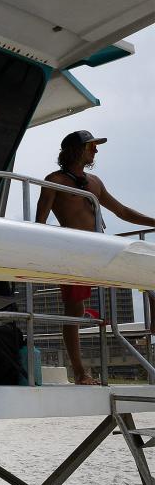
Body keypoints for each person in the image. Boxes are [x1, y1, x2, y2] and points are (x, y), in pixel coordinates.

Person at [35, 130, 155, 384]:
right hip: (73, 250)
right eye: (91, 147)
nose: (95, 151)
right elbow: (40, 223)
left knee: (147, 272)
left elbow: (122, 211)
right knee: (75, 309)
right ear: (75, 150)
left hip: (99, 246)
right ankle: (80, 372)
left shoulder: (95, 181)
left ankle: (153, 327)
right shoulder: (54, 180)